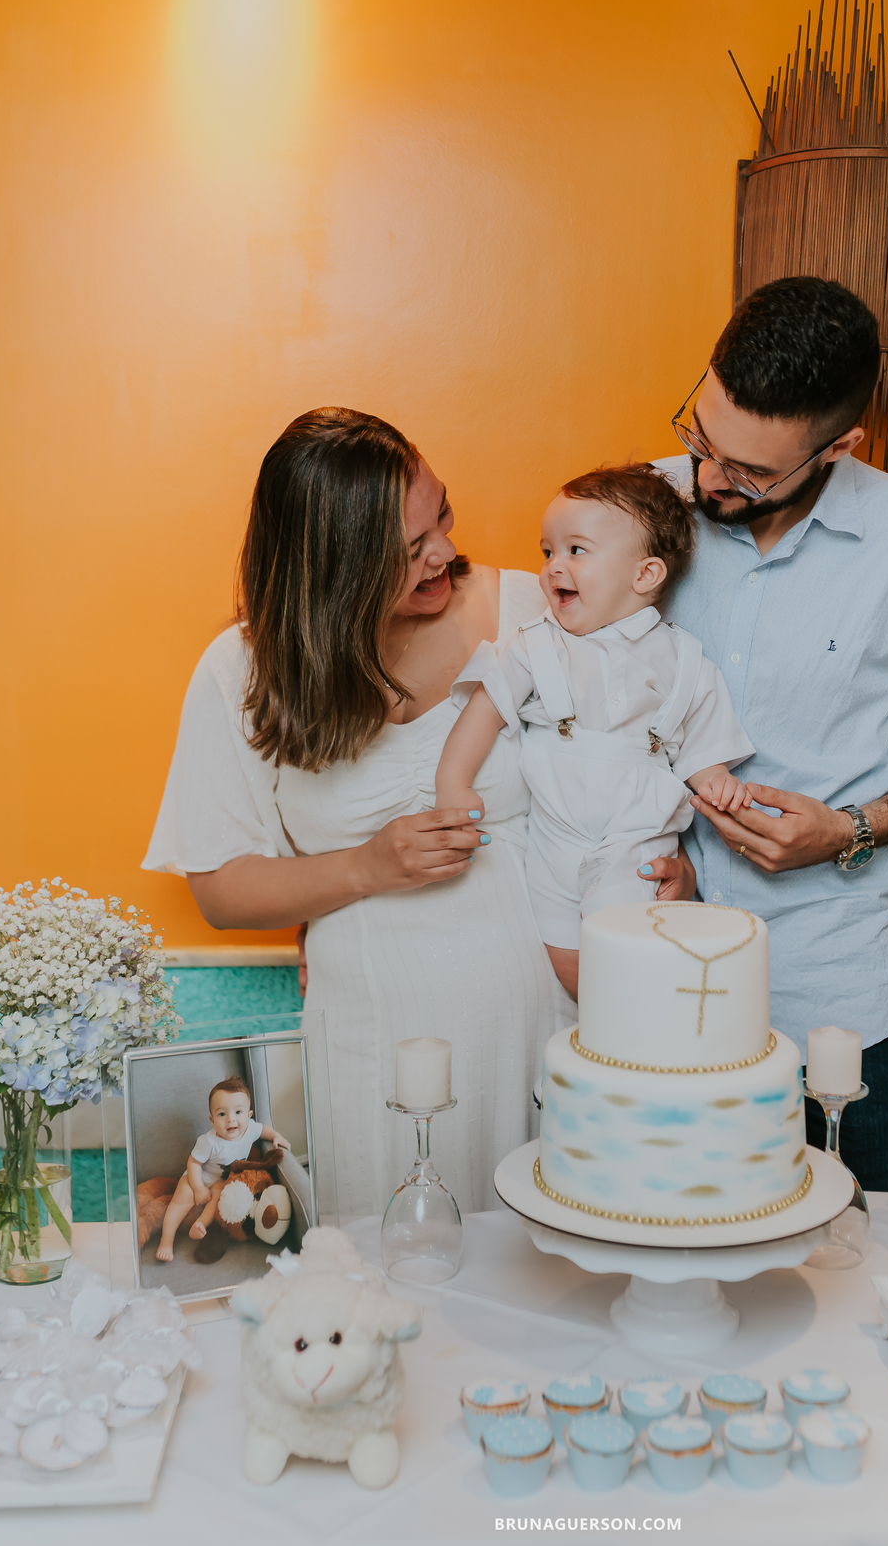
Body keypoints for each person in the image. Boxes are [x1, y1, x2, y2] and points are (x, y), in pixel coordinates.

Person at [143, 408, 690, 1219]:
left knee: (553, 1278)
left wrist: (662, 867)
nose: (442, 554)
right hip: (370, 1046)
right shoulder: (243, 669)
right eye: (406, 552)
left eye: (443, 517)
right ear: (332, 571)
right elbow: (221, 890)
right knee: (395, 1273)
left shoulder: (542, 611)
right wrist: (368, 866)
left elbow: (642, 751)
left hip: (542, 1026)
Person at [656, 277, 888, 1192]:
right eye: (701, 438)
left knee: (870, 1273)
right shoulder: (637, 514)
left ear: (840, 447)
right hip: (661, 985)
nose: (707, 480)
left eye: (749, 473)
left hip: (844, 996)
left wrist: (850, 830)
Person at [435, 464, 753, 998]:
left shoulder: (685, 660)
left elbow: (701, 744)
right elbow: (484, 710)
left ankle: (635, 1041)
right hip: (555, 838)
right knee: (569, 963)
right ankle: (602, 1039)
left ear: (645, 575)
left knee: (628, 959)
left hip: (635, 835)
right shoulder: (535, 644)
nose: (555, 567)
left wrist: (714, 776)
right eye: (547, 552)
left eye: (576, 551)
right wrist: (453, 781)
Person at [156, 1075, 289, 1262]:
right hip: (198, 1177)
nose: (230, 1120)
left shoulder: (250, 1129)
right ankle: (166, 1240)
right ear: (212, 1119)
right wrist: (198, 1188)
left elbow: (263, 1130)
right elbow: (193, 1163)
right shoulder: (209, 1141)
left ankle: (200, 1225)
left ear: (249, 1115)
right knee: (181, 1199)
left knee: (219, 1192)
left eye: (238, 1112)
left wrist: (276, 1136)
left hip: (220, 1181)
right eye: (222, 1114)